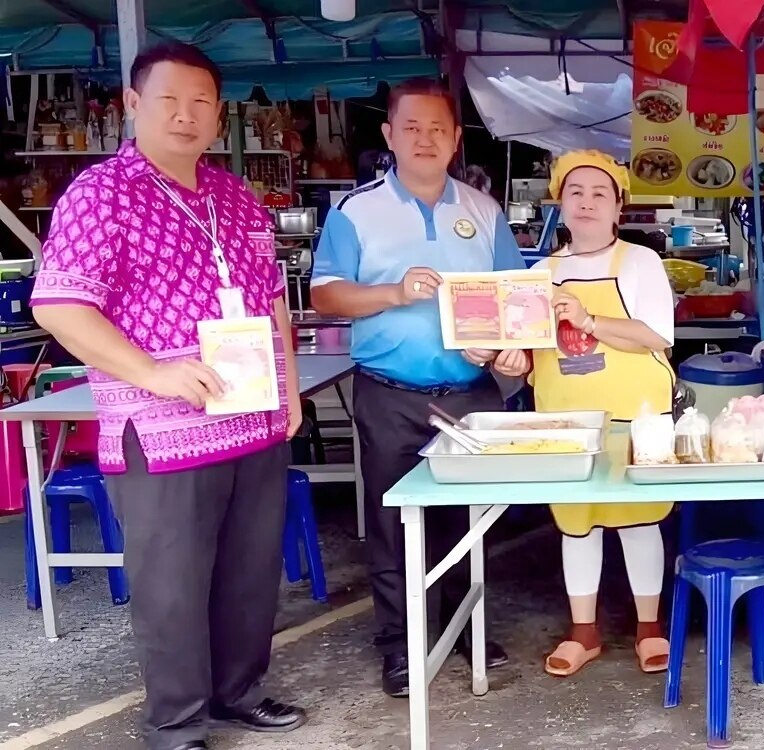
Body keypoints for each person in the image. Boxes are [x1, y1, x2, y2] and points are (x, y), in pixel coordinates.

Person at [30, 43, 304, 750]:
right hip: (162, 426)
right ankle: (177, 725)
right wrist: (151, 371)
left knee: (249, 573)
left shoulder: (235, 193)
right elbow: (59, 306)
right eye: (169, 100)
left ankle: (238, 691)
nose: (186, 115)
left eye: (201, 102)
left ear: (219, 112)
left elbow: (273, 298)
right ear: (133, 105)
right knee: (174, 585)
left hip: (254, 414)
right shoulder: (100, 193)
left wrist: (290, 389)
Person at [309, 78, 525, 699]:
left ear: (457, 139)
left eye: (438, 129)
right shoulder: (356, 212)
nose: (425, 139)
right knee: (393, 522)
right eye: (412, 128)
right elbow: (325, 295)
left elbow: (516, 297)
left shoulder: (484, 212)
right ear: (389, 137)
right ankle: (401, 646)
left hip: (471, 393)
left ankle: (470, 628)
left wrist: (512, 348)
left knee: (472, 523)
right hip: (390, 393)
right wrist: (393, 292)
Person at [495, 150, 675, 677]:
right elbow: (527, 352)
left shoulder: (641, 262)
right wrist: (512, 357)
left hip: (634, 418)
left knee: (640, 521)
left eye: (601, 193)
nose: (587, 202)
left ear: (620, 207)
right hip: (566, 422)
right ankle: (584, 630)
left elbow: (657, 336)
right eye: (576, 192)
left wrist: (590, 319)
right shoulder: (540, 273)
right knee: (577, 525)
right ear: (559, 204)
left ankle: (649, 628)